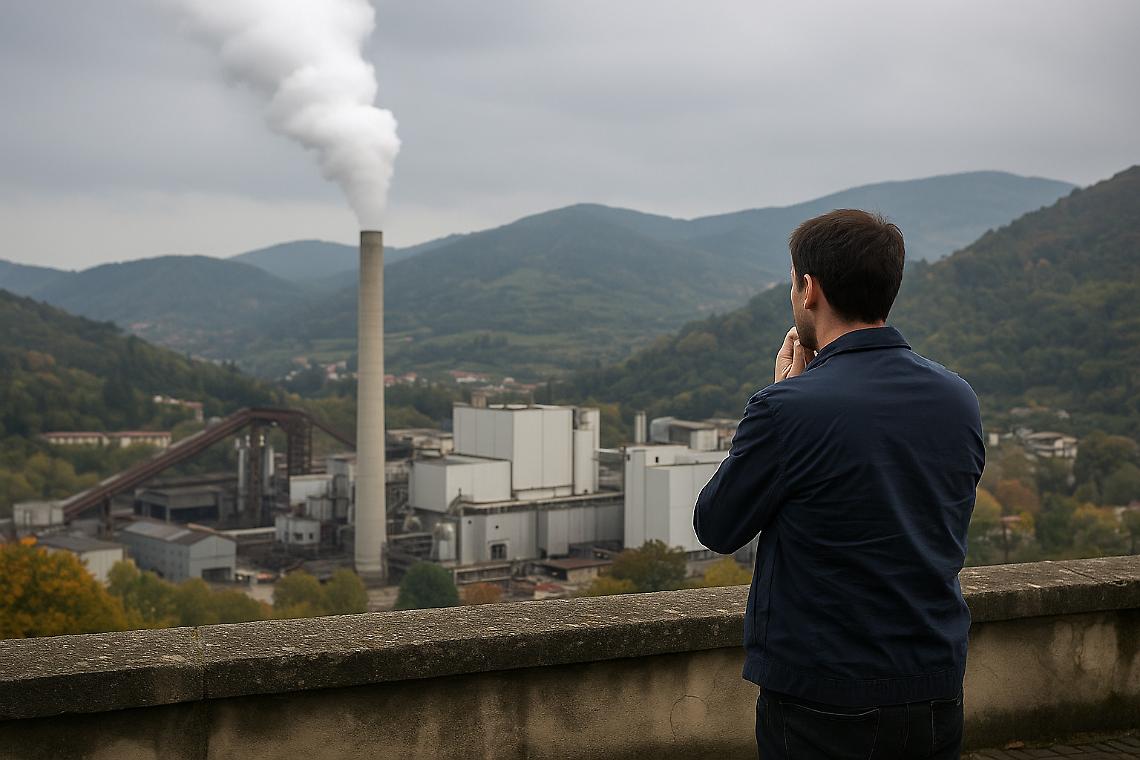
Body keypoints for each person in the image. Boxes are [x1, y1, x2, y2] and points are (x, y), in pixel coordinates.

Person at [693, 209, 984, 760]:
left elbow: (717, 525)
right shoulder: (958, 398)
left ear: (810, 289)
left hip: (820, 694)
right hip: (933, 683)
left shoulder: (787, 408)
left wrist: (783, 395)